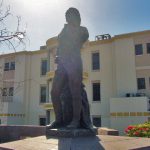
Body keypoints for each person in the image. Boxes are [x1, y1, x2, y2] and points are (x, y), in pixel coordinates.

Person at [48, 7, 89, 129]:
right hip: (62, 64)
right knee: (54, 91)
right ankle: (59, 120)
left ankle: (76, 121)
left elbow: (78, 42)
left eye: (70, 15)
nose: (67, 17)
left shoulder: (82, 30)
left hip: (74, 62)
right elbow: (61, 45)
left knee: (75, 92)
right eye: (66, 15)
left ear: (76, 16)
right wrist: (58, 55)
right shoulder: (63, 30)